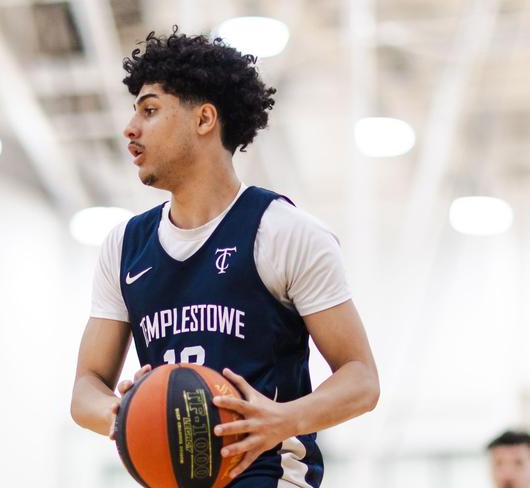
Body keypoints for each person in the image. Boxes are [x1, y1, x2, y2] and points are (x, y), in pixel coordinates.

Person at [71, 26, 380, 487]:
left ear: (204, 120)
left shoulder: (283, 231)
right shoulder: (125, 245)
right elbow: (85, 388)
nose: (129, 129)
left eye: (150, 110)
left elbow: (361, 380)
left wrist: (282, 419)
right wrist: (129, 415)